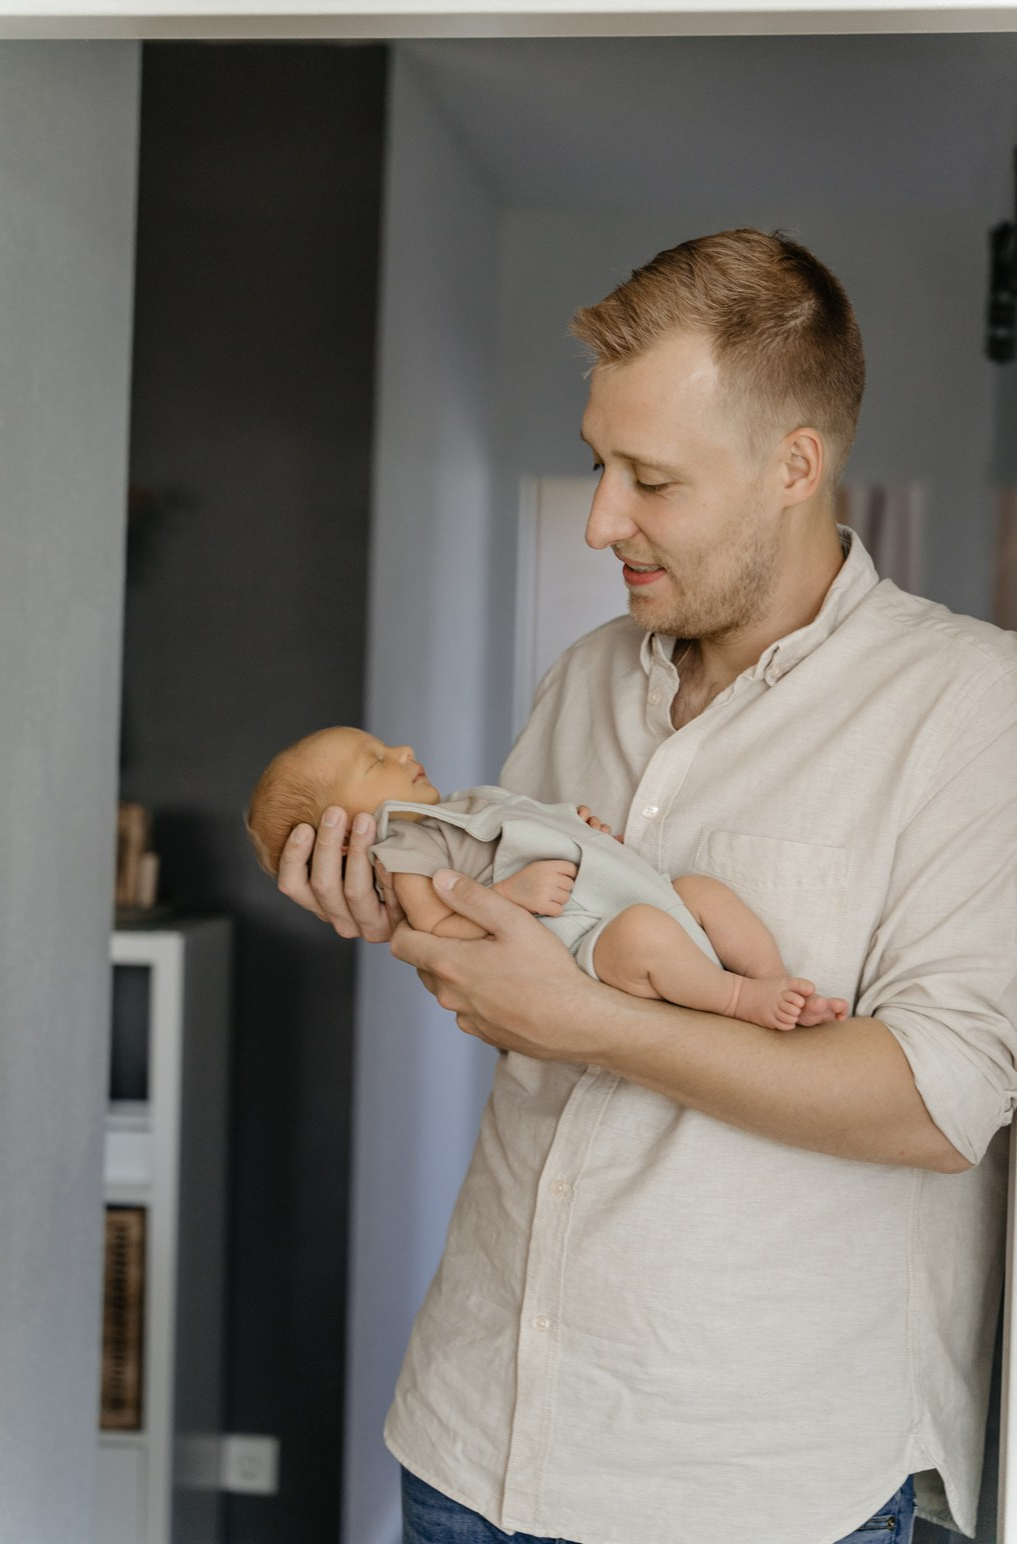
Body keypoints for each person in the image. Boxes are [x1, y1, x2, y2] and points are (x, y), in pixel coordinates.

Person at [277, 229, 1017, 1544]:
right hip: (469, 1433)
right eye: (597, 463)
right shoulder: (583, 675)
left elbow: (938, 1102)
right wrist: (404, 910)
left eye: (652, 480)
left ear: (796, 466)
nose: (600, 520)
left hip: (749, 1488)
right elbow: (525, 979)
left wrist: (598, 1021)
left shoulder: (969, 706)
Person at [246, 724, 848, 1029]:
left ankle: (774, 979)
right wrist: (510, 896)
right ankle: (740, 998)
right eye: (375, 760)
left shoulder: (462, 806)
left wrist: (579, 829)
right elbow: (437, 927)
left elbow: (528, 824)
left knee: (701, 892)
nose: (402, 750)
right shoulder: (407, 850)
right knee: (644, 933)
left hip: (626, 891)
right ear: (345, 831)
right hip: (590, 937)